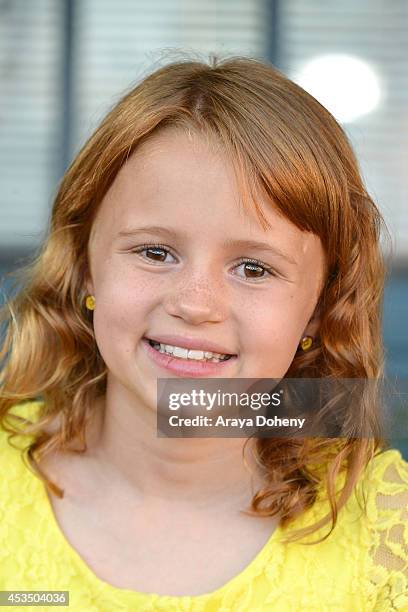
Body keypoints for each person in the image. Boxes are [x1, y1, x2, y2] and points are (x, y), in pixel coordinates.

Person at [0, 55, 407, 611]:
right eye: (154, 251)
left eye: (254, 269)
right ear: (86, 266)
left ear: (318, 308)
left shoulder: (387, 531)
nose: (194, 304)